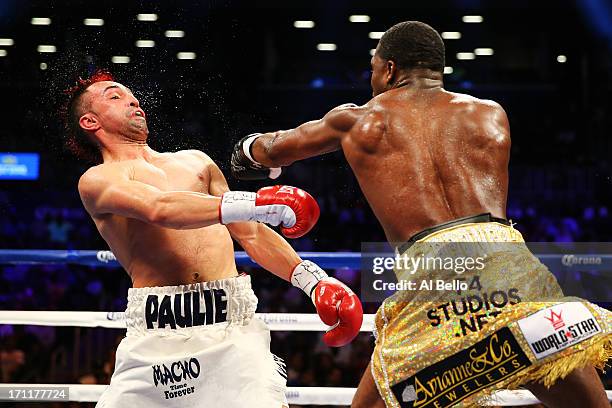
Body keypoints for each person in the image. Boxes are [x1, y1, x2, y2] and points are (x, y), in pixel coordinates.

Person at [230, 21, 612, 408]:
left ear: (390, 69)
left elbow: (275, 149)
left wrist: (245, 150)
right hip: (510, 268)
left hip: (435, 277)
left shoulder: (359, 118)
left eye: (374, 69)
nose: (372, 79)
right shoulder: (490, 114)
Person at [62, 70, 363, 408]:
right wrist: (256, 202)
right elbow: (159, 208)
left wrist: (314, 282)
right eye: (114, 96)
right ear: (90, 121)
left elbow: (248, 231)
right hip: (155, 338)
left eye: (131, 94)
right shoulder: (98, 180)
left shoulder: (197, 162)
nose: (132, 100)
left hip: (232, 332)